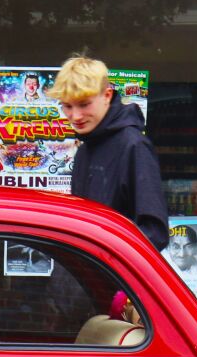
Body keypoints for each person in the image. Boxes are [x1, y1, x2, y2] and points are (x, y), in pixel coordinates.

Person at [50, 55, 168, 251]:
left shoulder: (133, 145)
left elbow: (154, 232)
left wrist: (106, 260)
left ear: (107, 95)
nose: (75, 116)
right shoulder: (86, 148)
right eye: (68, 106)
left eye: (84, 104)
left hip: (109, 277)